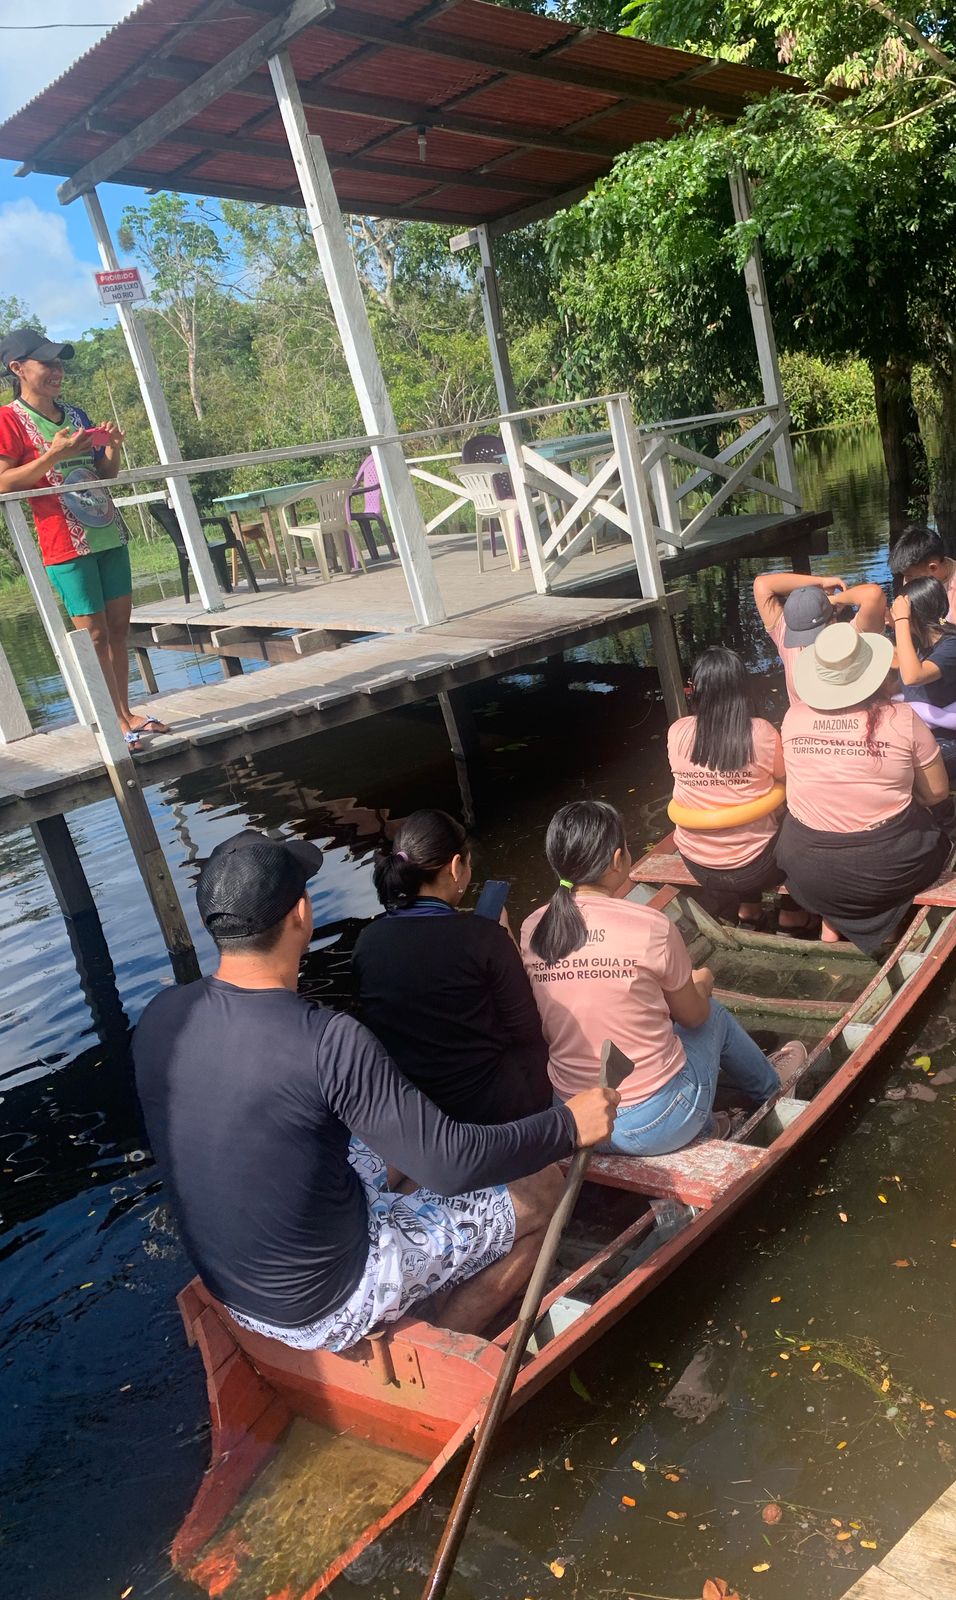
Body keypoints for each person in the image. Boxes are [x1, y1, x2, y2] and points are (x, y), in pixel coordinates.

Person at [133, 829, 617, 1352]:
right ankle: (450, 1338)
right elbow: (451, 1165)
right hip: (328, 1301)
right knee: (541, 1188)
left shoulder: (161, 1017)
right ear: (301, 914)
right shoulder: (327, 1040)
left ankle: (426, 1269)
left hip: (234, 1291)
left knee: (403, 1139)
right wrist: (568, 1125)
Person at [521, 800, 789, 1155]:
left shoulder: (532, 927)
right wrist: (703, 982)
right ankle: (774, 1089)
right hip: (654, 1123)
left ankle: (711, 1125)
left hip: (574, 1120)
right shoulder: (650, 926)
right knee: (712, 1014)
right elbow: (693, 1017)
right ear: (618, 859)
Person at [0, 327, 164, 752]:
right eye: (46, 363)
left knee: (118, 629)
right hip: (64, 542)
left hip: (107, 531)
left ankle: (126, 713)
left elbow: (103, 474)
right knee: (93, 637)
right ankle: (112, 724)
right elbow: (3, 483)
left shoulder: (76, 414)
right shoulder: (8, 420)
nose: (57, 370)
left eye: (59, 362)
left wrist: (112, 449)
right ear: (17, 368)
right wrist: (53, 455)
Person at [353, 809, 552, 1124]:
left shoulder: (367, 942)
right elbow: (528, 1029)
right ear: (456, 866)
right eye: (469, 863)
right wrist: (506, 941)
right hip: (496, 1108)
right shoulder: (484, 938)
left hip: (420, 1111)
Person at [776, 622, 951, 954]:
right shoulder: (902, 716)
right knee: (935, 836)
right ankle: (886, 929)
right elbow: (936, 793)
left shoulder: (793, 716)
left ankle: (831, 923)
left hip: (806, 868)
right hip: (887, 869)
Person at [667, 646, 810, 932]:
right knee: (800, 818)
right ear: (743, 688)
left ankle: (749, 909)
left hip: (697, 863)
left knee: (740, 817)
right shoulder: (762, 732)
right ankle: (792, 913)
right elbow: (786, 779)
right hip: (757, 866)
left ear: (696, 689)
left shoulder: (677, 731)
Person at [891, 577, 956, 781]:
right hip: (913, 738)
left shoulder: (955, 645)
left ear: (914, 613)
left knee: (893, 769)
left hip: (947, 744)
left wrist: (901, 622)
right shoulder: (917, 646)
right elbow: (903, 685)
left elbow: (913, 677)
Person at [753, 569, 888, 708]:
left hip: (811, 720)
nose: (806, 641)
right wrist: (828, 590)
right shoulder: (854, 640)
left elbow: (874, 595)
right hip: (820, 721)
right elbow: (873, 594)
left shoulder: (785, 635)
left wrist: (828, 591)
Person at [886, 524, 956, 643]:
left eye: (909, 576)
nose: (906, 582)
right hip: (926, 644)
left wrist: (902, 623)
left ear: (933, 567)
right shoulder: (914, 577)